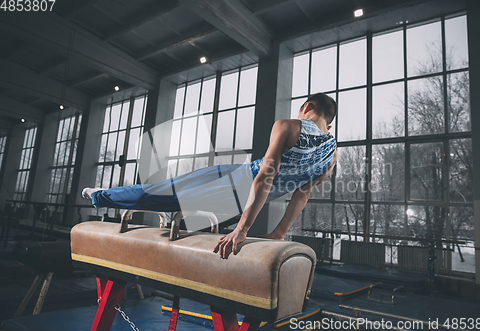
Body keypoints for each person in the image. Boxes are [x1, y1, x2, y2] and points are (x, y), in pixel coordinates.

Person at [82, 93, 338, 258]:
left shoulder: (289, 125)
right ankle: (103, 196)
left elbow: (264, 177)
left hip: (240, 186)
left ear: (307, 106)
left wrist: (242, 229)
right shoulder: (331, 152)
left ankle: (102, 197)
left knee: (166, 194)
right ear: (330, 124)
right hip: (237, 179)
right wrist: (279, 233)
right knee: (169, 190)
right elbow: (302, 195)